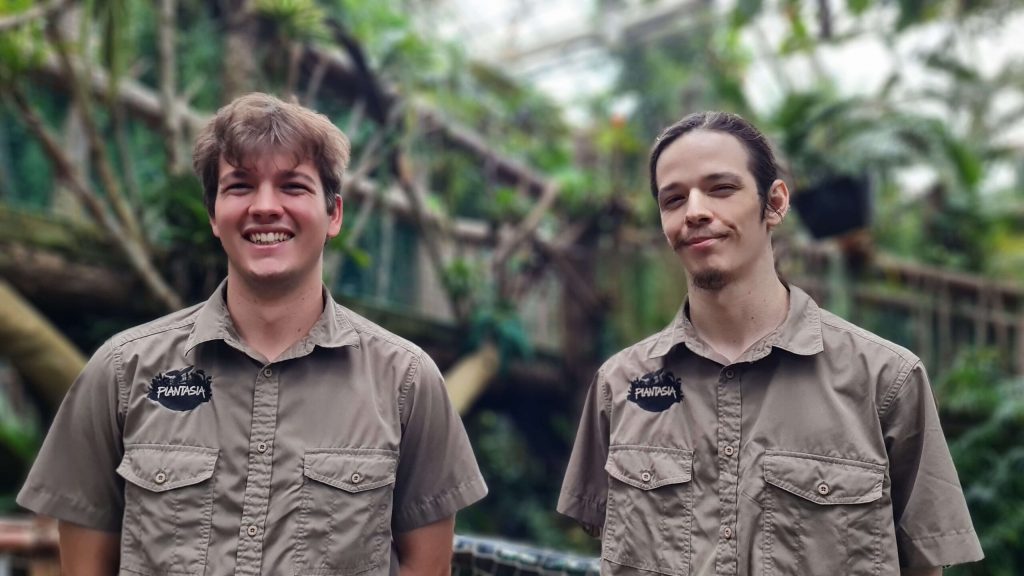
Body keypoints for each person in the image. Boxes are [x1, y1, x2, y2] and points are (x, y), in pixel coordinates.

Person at [18, 92, 487, 576]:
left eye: (293, 187)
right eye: (240, 186)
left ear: (335, 215)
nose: (265, 207)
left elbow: (426, 568)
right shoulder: (121, 371)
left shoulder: (407, 382)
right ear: (213, 214)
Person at [557, 111, 983, 576]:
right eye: (673, 198)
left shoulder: (886, 382)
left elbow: (925, 565)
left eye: (721, 188)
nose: (695, 211)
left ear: (774, 202)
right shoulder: (619, 385)